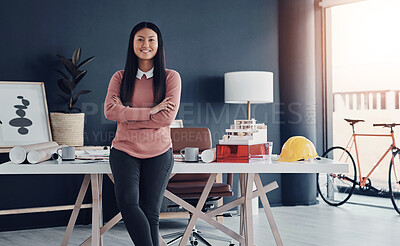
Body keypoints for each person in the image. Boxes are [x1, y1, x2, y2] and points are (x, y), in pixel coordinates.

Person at [104, 22, 181, 246]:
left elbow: (166, 119)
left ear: (158, 44)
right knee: (128, 204)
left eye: (151, 40)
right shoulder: (119, 77)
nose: (145, 44)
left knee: (150, 212)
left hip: (159, 152)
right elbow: (110, 112)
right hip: (124, 150)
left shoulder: (170, 78)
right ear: (132, 43)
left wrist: (126, 115)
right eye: (140, 39)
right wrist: (150, 112)